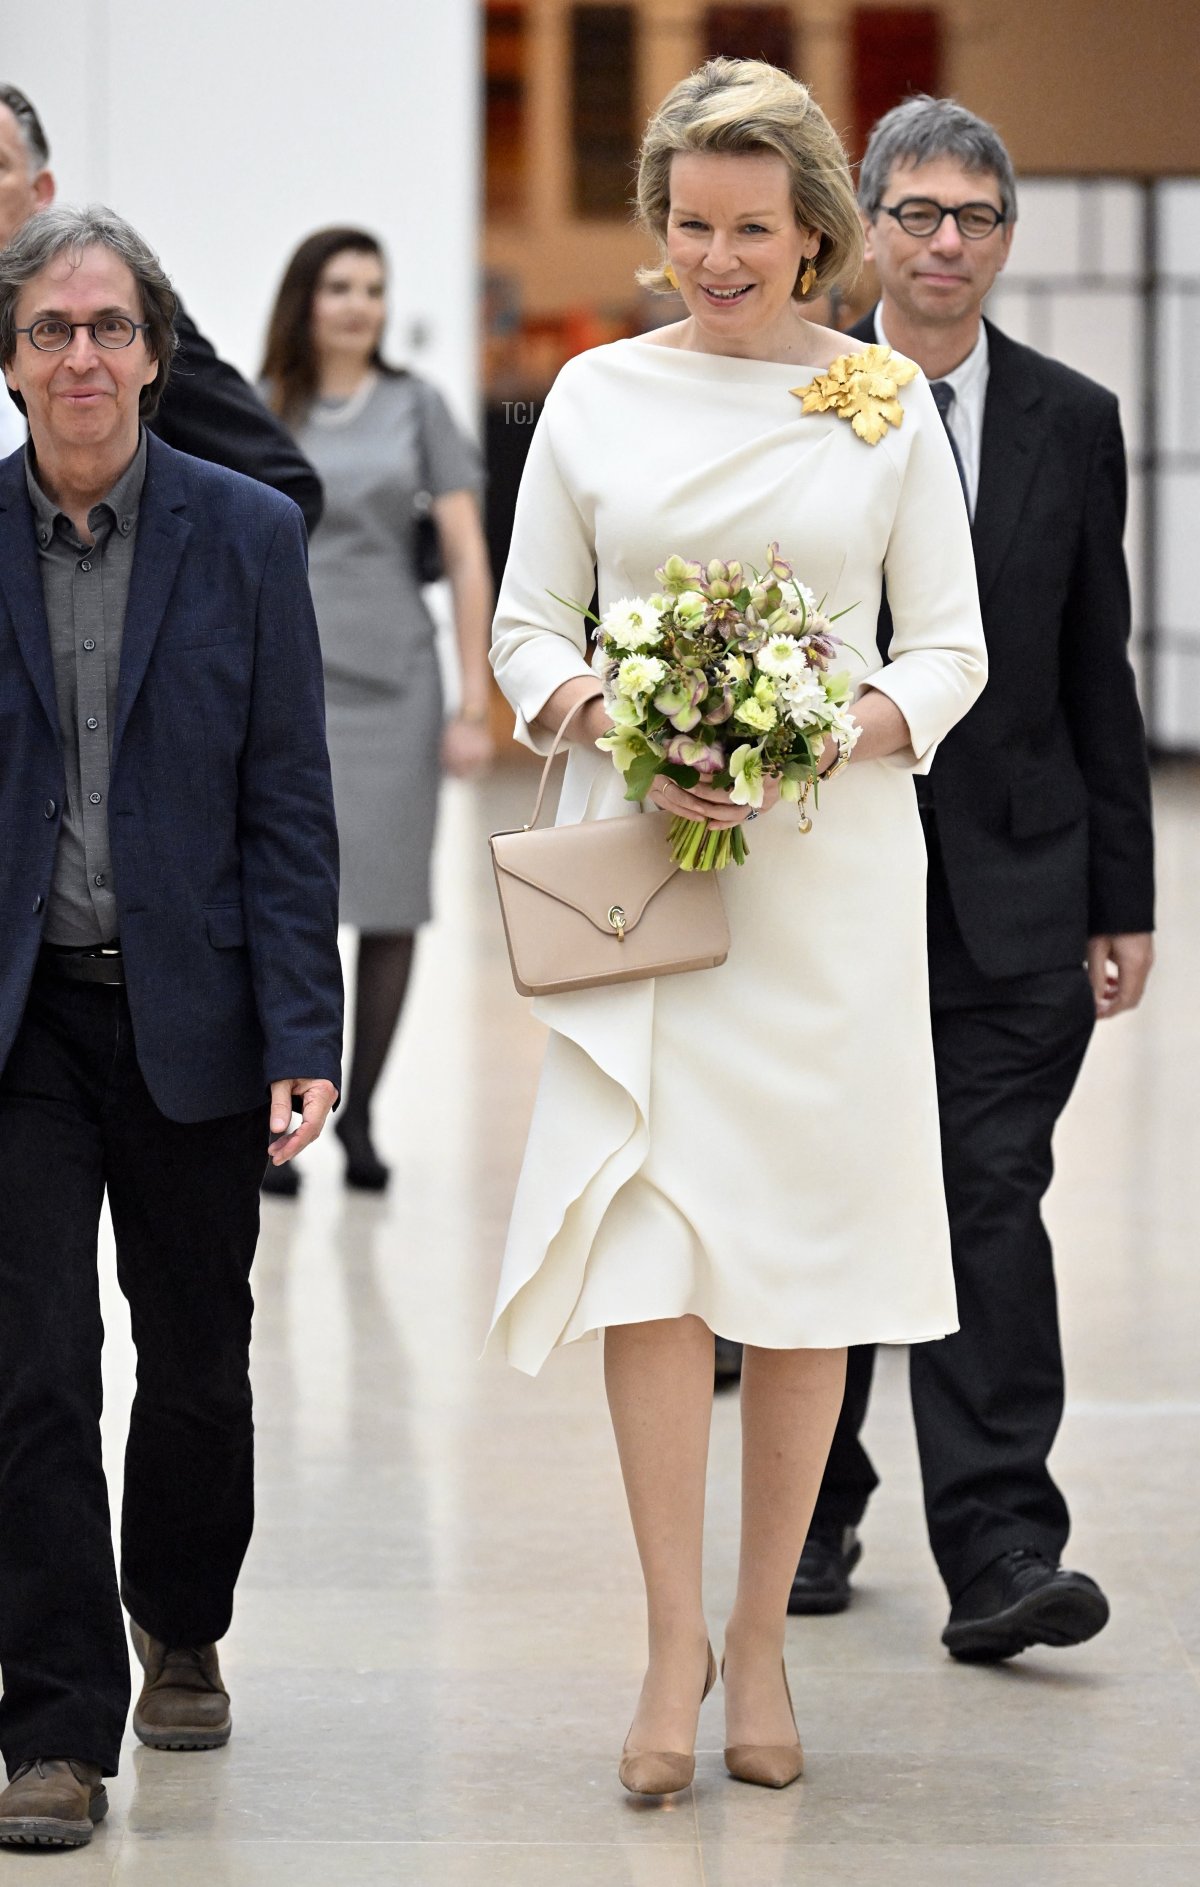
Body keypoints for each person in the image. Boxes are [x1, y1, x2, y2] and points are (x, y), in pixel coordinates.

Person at [487, 57, 987, 1796]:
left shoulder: (881, 398)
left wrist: (817, 738)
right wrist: (621, 718)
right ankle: (667, 1642)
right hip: (646, 873)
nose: (717, 258)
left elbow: (950, 648)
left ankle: (763, 1637)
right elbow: (528, 626)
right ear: (658, 225)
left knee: (802, 1269)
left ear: (814, 233)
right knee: (651, 1262)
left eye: (753, 229)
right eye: (691, 224)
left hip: (826, 890)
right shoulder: (594, 394)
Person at [789, 97, 1155, 1662]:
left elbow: (1094, 663)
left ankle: (1005, 1544)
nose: (948, 243)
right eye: (920, 213)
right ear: (866, 227)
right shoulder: (797, 400)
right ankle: (812, 1501)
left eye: (978, 217)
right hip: (820, 884)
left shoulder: (1073, 418)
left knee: (986, 1193)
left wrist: (1123, 894)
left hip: (1016, 886)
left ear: (1007, 238)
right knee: (820, 1195)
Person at [0, 205, 342, 1849]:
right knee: (35, 1368)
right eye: (51, 329)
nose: (83, 355)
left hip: (194, 1007)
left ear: (153, 354)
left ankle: (180, 1616)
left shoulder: (245, 534)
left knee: (196, 1359)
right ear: (11, 362)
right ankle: (52, 1719)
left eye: (111, 327)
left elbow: (289, 796)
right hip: (23, 1027)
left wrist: (305, 1025)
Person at [260, 227, 492, 1194]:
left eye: (373, 288)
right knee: (286, 905)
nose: (360, 305)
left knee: (390, 908)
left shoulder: (418, 405)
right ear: (305, 300)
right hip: (288, 692)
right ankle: (279, 1117)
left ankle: (359, 1115)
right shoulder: (264, 407)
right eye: (340, 287)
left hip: (398, 687)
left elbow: (468, 557)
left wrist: (475, 700)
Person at [0, 82, 323, 532]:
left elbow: (284, 488)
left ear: (40, 190)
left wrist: (155, 567)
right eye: (50, 332)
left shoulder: (120, 316)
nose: (80, 355)